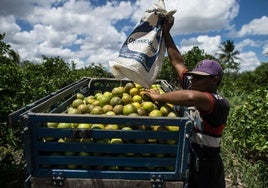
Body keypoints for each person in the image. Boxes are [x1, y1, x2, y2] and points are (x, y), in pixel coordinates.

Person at [143, 18, 230, 188]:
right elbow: (177, 62)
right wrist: (167, 32)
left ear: (215, 81)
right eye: (193, 76)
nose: (193, 79)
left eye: (199, 77)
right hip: (188, 158)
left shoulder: (219, 103)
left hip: (207, 165)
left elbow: (192, 97)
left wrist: (159, 98)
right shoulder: (195, 85)